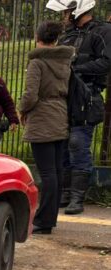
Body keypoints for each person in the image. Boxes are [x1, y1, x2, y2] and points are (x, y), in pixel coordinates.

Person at [47, 0, 111, 215]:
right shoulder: (67, 36)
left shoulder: (102, 31)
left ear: (78, 9)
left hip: (87, 96)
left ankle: (77, 197)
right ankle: (65, 194)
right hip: (64, 95)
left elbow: (106, 62)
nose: (64, 15)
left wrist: (75, 69)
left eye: (67, 11)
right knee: (63, 143)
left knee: (78, 143)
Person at [18, 21, 74, 235]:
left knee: (47, 172)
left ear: (37, 38)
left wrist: (23, 110)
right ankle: (50, 219)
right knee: (57, 171)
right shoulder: (64, 61)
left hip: (42, 118)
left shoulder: (37, 63)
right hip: (60, 114)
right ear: (56, 39)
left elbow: (31, 95)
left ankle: (42, 220)